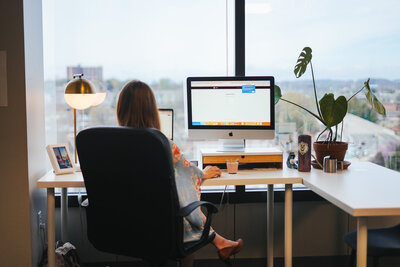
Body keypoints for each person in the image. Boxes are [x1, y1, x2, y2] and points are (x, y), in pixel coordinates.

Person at [116, 80, 243, 264]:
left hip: (123, 224)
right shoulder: (162, 145)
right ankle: (219, 242)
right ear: (152, 110)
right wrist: (202, 173)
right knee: (185, 216)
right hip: (160, 227)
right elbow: (186, 175)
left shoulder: (111, 144)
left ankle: (221, 242)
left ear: (120, 108)